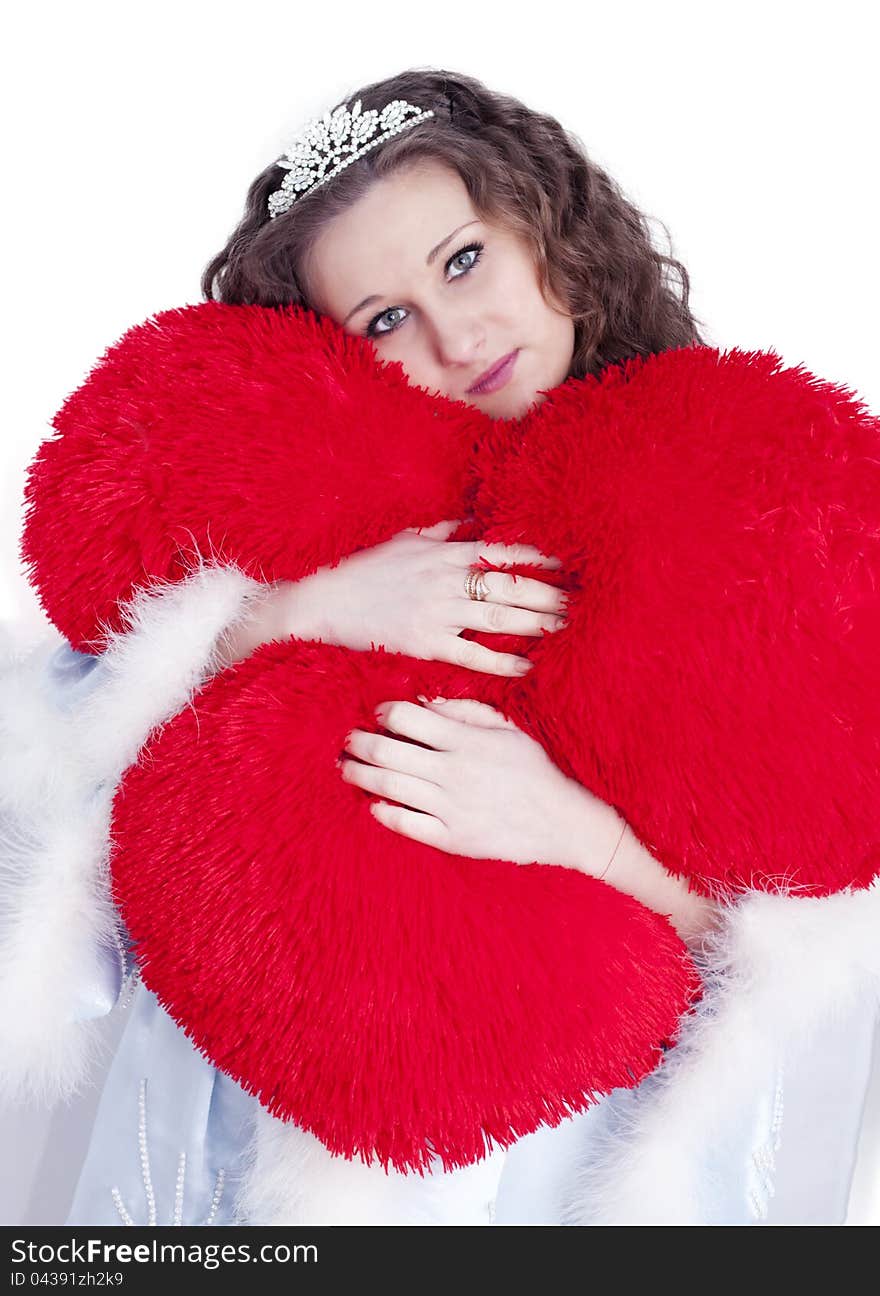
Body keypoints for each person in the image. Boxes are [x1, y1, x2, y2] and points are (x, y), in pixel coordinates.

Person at [2, 67, 877, 1227]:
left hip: (575, 1173)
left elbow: (833, 911)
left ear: (544, 231)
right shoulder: (271, 543)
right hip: (256, 1179)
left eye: (461, 260)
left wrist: (587, 843)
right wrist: (288, 616)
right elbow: (50, 807)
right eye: (383, 320)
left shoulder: (759, 512)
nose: (456, 336)